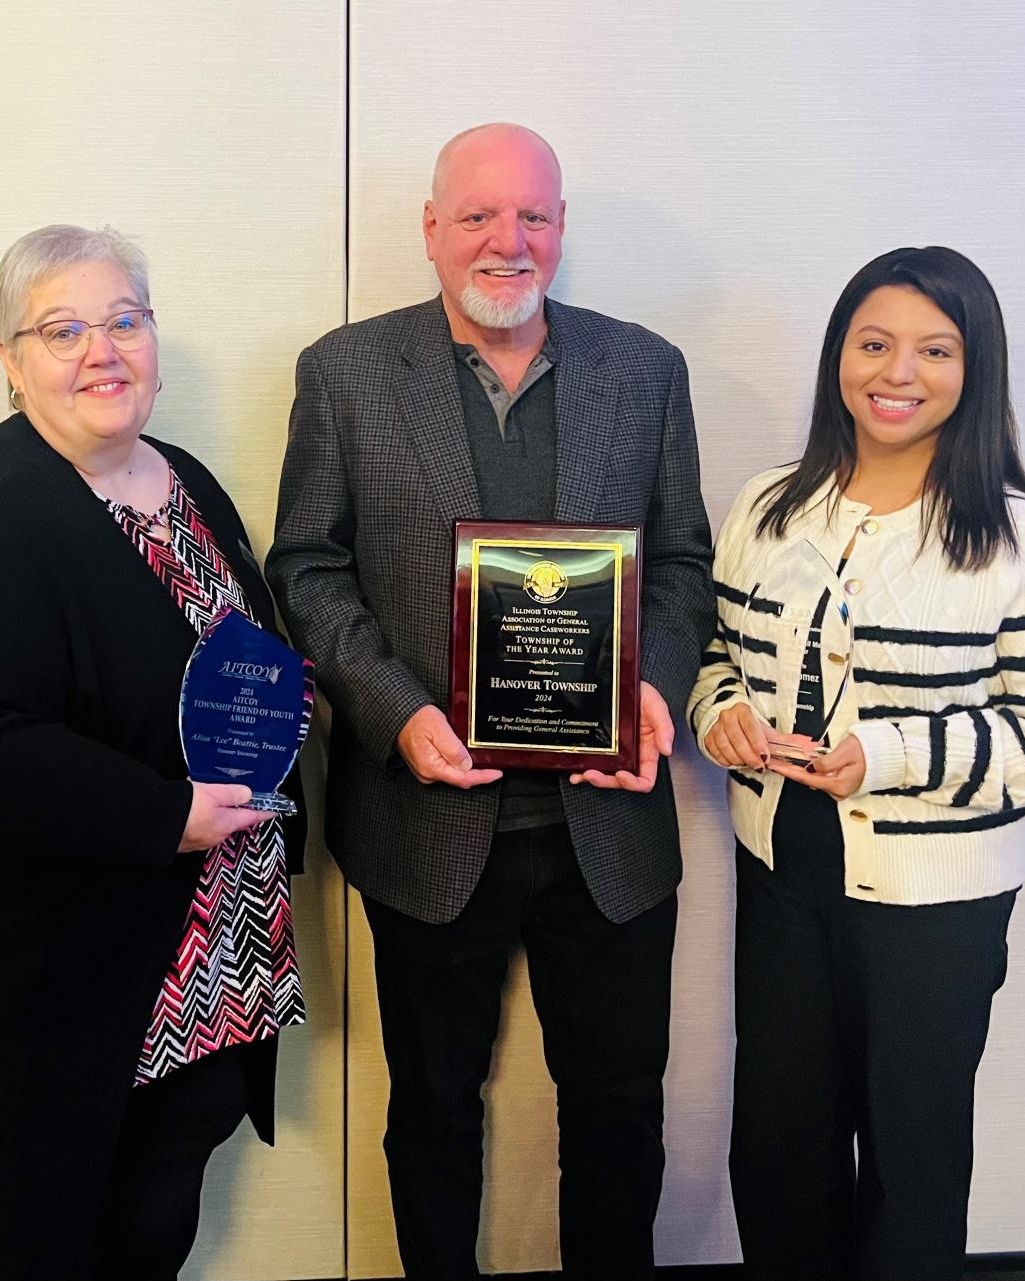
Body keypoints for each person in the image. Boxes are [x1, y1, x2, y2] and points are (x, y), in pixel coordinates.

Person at [0, 224, 308, 1281]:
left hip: (196, 978)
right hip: (30, 1012)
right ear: (11, 362)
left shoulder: (186, 486)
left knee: (148, 1234)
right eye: (62, 329)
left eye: (125, 320)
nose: (101, 350)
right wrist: (161, 814)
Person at [267, 123, 714, 1278]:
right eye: (478, 215)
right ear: (431, 229)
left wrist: (654, 692)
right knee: (431, 1111)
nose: (507, 241)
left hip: (608, 826)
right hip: (426, 821)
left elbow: (681, 564)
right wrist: (394, 710)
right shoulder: (347, 372)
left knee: (619, 1113)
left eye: (534, 217)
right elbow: (307, 567)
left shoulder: (647, 369)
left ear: (561, 231)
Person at [688, 245, 1025, 1280]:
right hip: (783, 875)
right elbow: (716, 659)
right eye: (873, 343)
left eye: (935, 349)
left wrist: (888, 754)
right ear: (840, 356)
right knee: (779, 1148)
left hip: (938, 907)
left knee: (912, 1159)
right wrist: (720, 718)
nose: (898, 371)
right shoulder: (768, 508)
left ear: (977, 371)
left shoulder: (1019, 540)